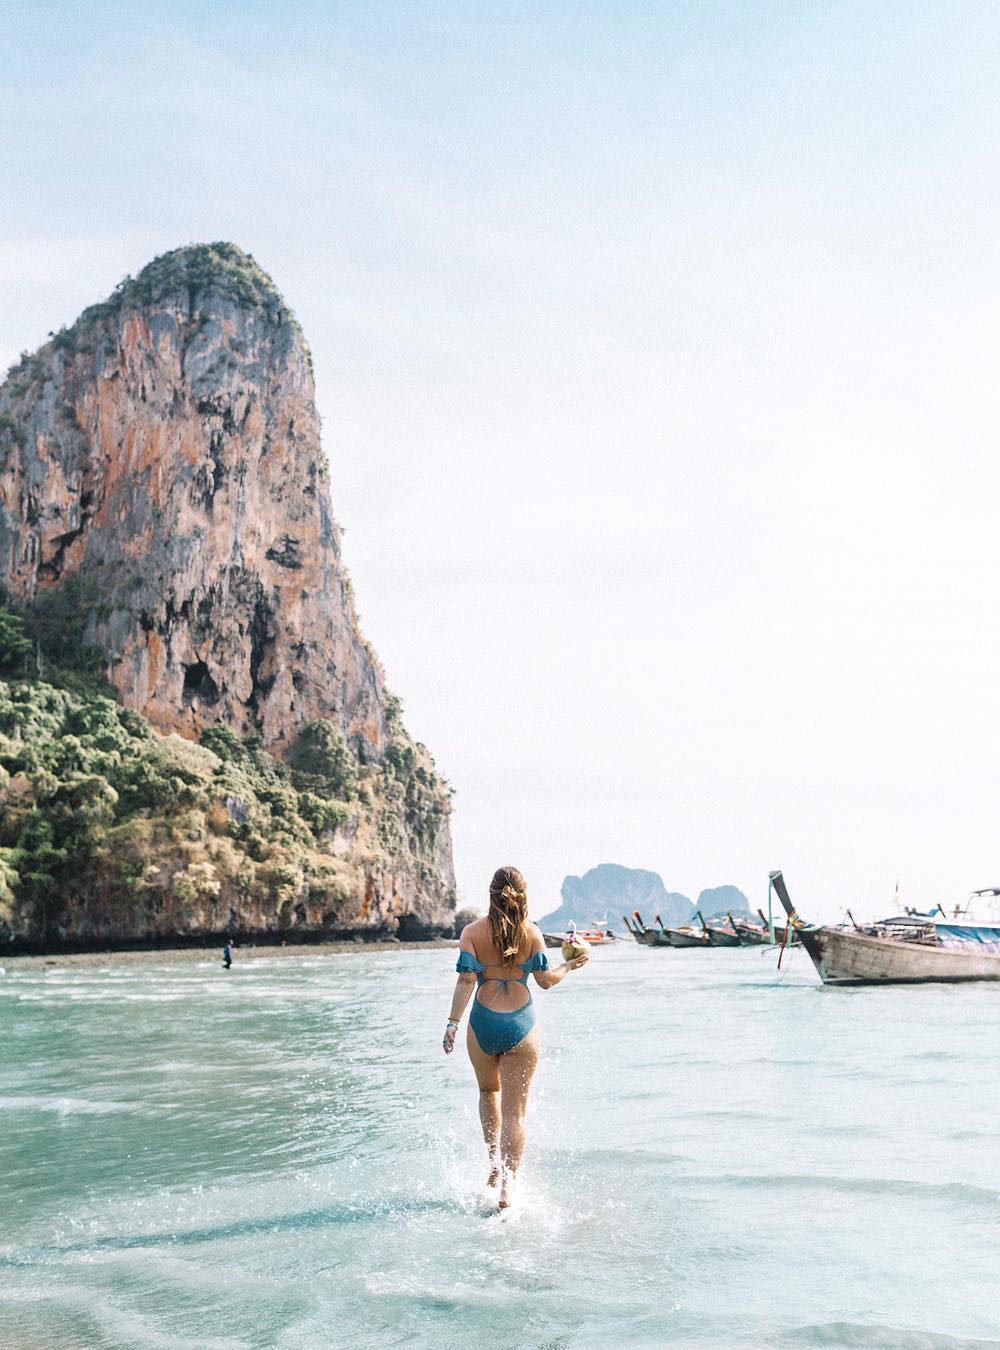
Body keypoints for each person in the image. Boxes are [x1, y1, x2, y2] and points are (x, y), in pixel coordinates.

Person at [443, 865, 588, 1208]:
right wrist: (570, 965)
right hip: (521, 1027)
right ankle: (509, 1187)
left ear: (491, 894)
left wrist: (451, 1024)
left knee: (487, 1092)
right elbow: (545, 981)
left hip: (482, 1025)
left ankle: (493, 1165)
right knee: (515, 1114)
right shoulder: (532, 933)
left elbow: (466, 981)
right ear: (523, 895)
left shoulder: (472, 933)